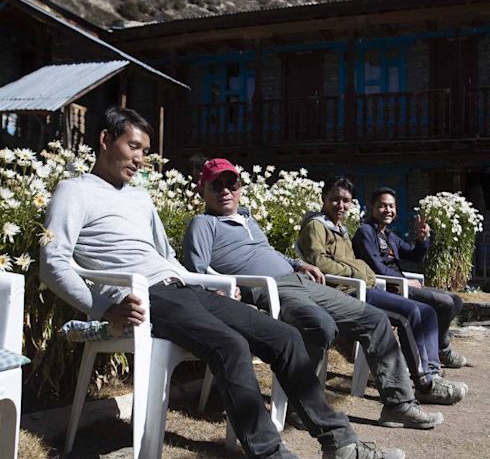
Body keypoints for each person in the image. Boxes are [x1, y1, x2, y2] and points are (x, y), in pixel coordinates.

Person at [40, 107, 405, 459]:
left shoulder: (140, 198)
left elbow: (167, 257)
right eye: (133, 147)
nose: (140, 159)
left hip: (180, 288)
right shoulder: (74, 191)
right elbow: (53, 262)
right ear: (106, 141)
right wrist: (104, 307)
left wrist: (206, 283)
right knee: (230, 346)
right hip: (143, 298)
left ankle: (340, 445)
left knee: (283, 337)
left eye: (145, 150)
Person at [182, 158, 444, 430]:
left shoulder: (248, 219)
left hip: (300, 280)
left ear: (240, 188)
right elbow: (196, 270)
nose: (225, 190)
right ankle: (303, 404)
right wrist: (220, 288)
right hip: (270, 290)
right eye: (217, 185)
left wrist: (298, 263)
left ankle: (399, 404)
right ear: (204, 190)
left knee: (374, 319)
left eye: (231, 183)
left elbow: (267, 252)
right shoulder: (203, 224)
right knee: (319, 325)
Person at [297, 176, 467, 406]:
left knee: (426, 311)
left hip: (365, 286)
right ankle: (424, 384)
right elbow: (319, 262)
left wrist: (422, 240)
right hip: (345, 293)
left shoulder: (342, 228)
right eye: (334, 199)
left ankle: (432, 373)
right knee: (410, 314)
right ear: (323, 199)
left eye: (346, 200)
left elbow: (407, 255)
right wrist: (358, 270)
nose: (341, 205)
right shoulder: (317, 226)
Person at [353, 186, 467, 368]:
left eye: (391, 206)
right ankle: (440, 352)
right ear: (372, 207)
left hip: (402, 285)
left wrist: (422, 240)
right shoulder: (365, 232)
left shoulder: (389, 235)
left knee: (456, 300)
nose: (388, 210)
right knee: (444, 302)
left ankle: (441, 347)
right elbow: (376, 267)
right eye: (382, 206)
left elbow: (414, 256)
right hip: (388, 289)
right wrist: (404, 282)